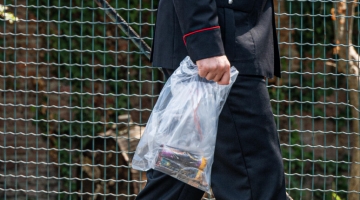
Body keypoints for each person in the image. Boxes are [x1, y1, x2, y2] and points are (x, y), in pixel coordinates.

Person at [136, 0, 287, 199]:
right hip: (222, 53)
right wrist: (205, 42)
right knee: (254, 181)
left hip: (222, 43)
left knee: (178, 180)